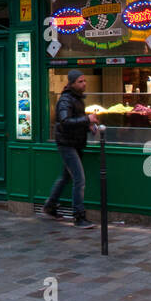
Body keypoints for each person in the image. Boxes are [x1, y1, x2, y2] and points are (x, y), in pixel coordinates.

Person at [42, 69, 99, 229]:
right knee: (79, 179)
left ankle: (50, 206)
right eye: (80, 81)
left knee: (65, 177)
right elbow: (65, 121)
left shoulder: (78, 98)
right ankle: (78, 216)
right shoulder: (66, 100)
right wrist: (87, 119)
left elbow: (75, 121)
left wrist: (88, 126)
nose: (84, 84)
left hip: (76, 143)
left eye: (85, 80)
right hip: (67, 144)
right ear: (72, 83)